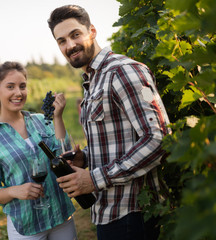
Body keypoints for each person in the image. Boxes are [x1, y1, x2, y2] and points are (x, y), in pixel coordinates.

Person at [47, 5, 171, 240]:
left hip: (133, 213)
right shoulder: (93, 81)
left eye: (75, 35)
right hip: (108, 211)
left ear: (92, 31)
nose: (69, 46)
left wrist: (94, 179)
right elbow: (118, 141)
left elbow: (159, 138)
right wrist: (86, 158)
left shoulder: (123, 72)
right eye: (61, 41)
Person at [0, 61, 77, 240]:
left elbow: (65, 154)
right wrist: (14, 191)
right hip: (27, 225)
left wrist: (58, 118)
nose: (18, 93)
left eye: (22, 86)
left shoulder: (41, 120)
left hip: (60, 214)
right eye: (10, 86)